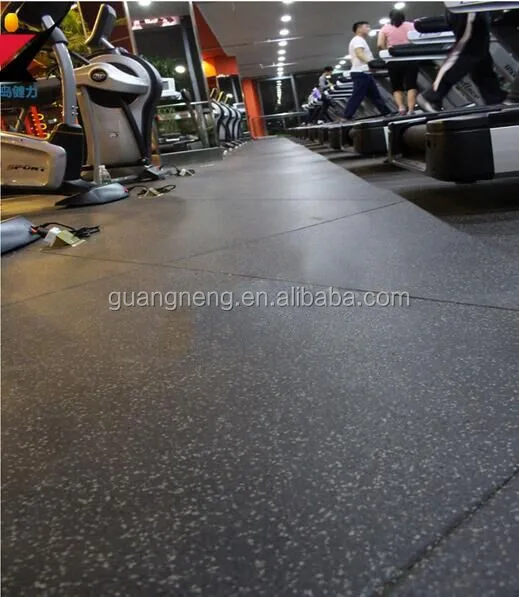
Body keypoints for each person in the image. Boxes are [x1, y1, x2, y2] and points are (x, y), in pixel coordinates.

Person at [418, 10, 506, 111]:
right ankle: (432, 94)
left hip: (473, 10)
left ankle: (494, 98)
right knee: (470, 53)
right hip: (469, 10)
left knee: (481, 57)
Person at [343, 21, 391, 121]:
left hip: (365, 72)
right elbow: (359, 53)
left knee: (375, 95)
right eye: (366, 27)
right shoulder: (358, 40)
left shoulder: (360, 40)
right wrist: (372, 63)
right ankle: (347, 116)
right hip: (361, 72)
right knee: (358, 95)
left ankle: (386, 112)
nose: (369, 29)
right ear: (359, 29)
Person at [378, 9, 418, 115]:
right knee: (411, 85)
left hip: (393, 60)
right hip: (410, 58)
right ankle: (411, 110)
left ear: (390, 17)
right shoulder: (411, 25)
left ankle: (401, 108)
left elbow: (380, 45)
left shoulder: (385, 28)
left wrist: (387, 51)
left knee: (397, 86)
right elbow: (417, 40)